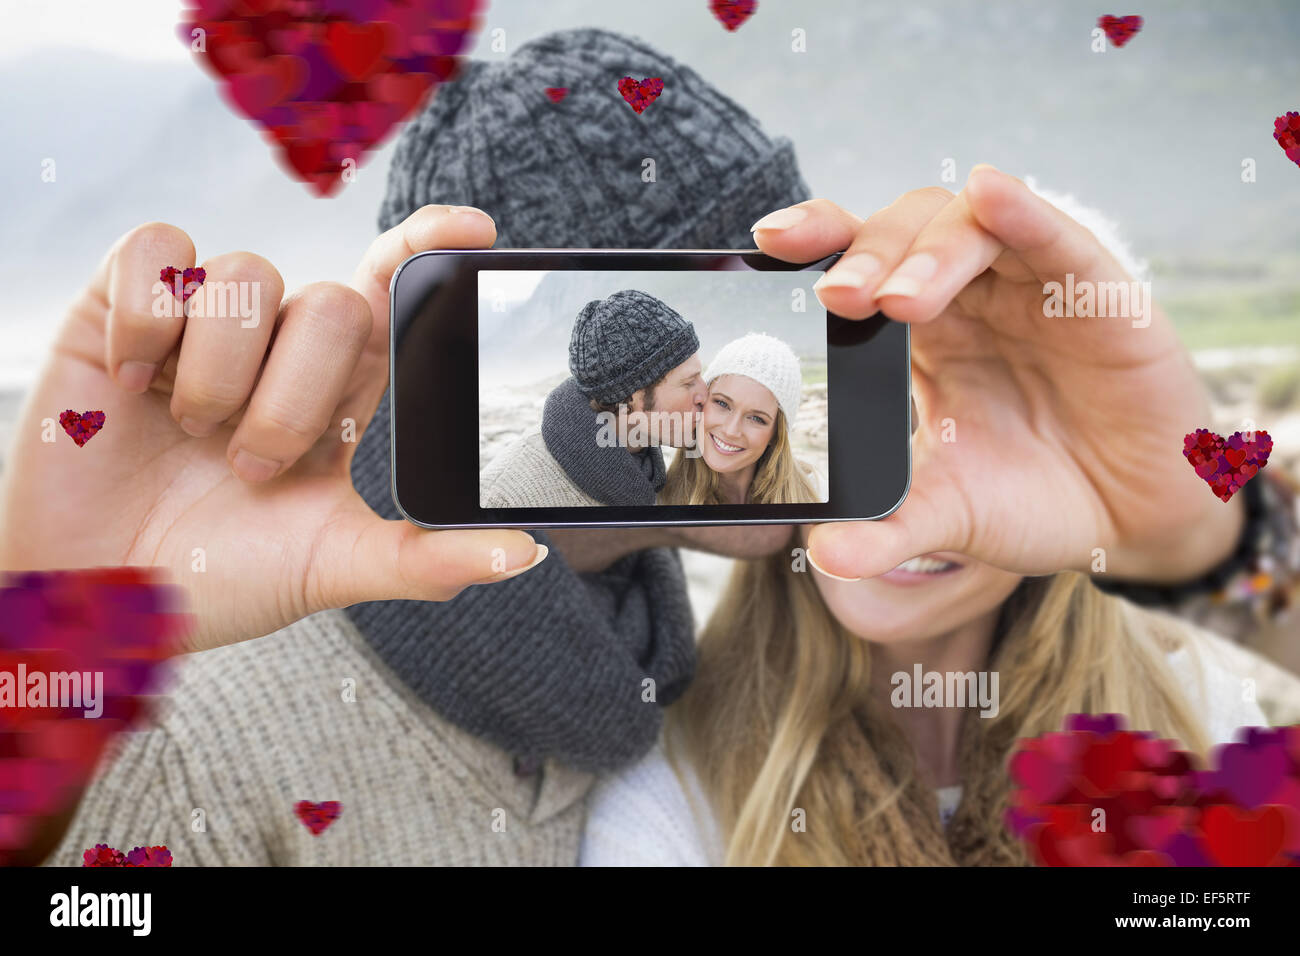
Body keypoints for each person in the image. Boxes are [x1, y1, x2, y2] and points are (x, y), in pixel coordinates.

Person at [0, 29, 1286, 867]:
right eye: (726, 299)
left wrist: (1203, 538)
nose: (740, 387)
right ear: (603, 391)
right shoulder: (218, 715)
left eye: (791, 271)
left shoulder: (653, 692)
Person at [579, 539, 1271, 866]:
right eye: (871, 423)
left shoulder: (1196, 711)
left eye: (974, 426)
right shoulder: (666, 787)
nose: (907, 499)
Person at [481, 289, 706, 508]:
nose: (705, 395)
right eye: (688, 382)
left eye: (701, 375)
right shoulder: (503, 499)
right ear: (633, 397)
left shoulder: (646, 469)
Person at [659, 332, 823, 505]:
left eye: (756, 419)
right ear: (702, 402)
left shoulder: (817, 497)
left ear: (776, 435)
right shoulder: (659, 500)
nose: (731, 431)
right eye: (722, 404)